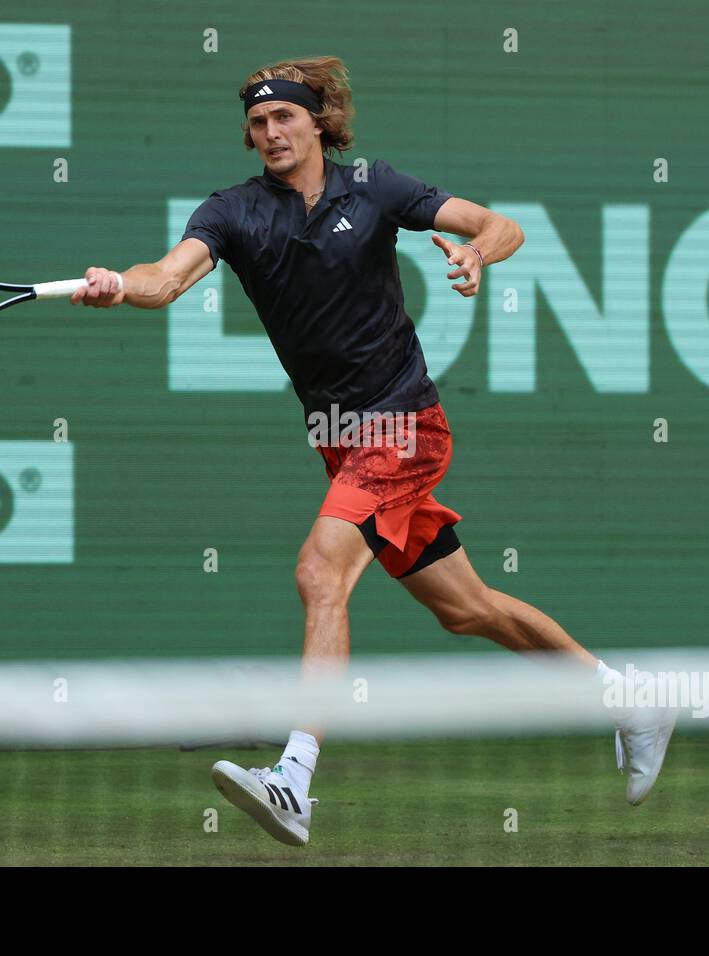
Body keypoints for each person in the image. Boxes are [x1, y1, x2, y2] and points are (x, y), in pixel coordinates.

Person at [74, 56, 675, 846]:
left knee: (320, 569)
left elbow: (502, 226)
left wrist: (474, 252)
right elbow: (167, 276)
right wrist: (120, 284)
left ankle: (293, 778)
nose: (269, 133)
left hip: (404, 427)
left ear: (317, 121)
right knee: (469, 610)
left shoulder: (378, 188)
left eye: (283, 117)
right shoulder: (232, 212)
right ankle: (630, 699)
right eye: (256, 124)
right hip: (341, 444)